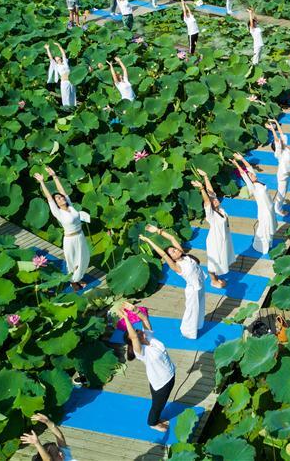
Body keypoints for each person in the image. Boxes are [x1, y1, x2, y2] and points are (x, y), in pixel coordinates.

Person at [118, 304, 176, 433]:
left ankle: (157, 419)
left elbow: (144, 319)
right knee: (158, 405)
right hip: (161, 383)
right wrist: (125, 318)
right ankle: (153, 423)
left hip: (170, 374)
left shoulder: (149, 336)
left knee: (160, 403)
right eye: (138, 332)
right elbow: (133, 336)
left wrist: (134, 310)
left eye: (138, 330)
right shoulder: (141, 351)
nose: (140, 331)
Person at [141, 226, 206, 339]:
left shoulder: (185, 256)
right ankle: (188, 331)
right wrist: (149, 241)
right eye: (173, 252)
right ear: (172, 258)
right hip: (193, 290)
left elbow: (171, 238)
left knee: (200, 307)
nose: (176, 251)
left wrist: (157, 231)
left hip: (200, 285)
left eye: (175, 249)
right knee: (191, 311)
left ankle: (198, 325)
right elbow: (163, 254)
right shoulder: (177, 266)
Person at [33, 166, 91, 289]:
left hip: (80, 236)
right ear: (57, 203)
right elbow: (49, 198)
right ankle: (73, 281)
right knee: (72, 262)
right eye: (58, 199)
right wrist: (42, 182)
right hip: (70, 240)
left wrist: (54, 176)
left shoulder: (70, 206)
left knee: (84, 258)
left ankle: (78, 278)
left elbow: (62, 191)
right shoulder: (58, 212)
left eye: (61, 197)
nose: (61, 198)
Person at [190, 169, 234, 288]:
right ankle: (213, 280)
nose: (215, 200)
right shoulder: (211, 214)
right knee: (213, 262)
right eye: (213, 201)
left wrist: (205, 176)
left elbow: (211, 193)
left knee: (222, 258)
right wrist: (201, 189)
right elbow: (207, 201)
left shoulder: (220, 210)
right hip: (215, 240)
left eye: (215, 199)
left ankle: (217, 276)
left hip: (223, 238)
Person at [231, 153, 276, 254]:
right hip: (264, 212)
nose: (253, 174)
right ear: (248, 180)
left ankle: (268, 244)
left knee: (270, 226)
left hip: (270, 208)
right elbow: (244, 174)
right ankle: (263, 247)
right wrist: (236, 164)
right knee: (265, 229)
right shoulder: (253, 187)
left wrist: (242, 159)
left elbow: (249, 167)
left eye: (252, 174)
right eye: (251, 175)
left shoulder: (257, 181)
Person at [267, 120, 290, 216]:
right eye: (279, 143)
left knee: (284, 191)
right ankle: (278, 209)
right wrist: (272, 130)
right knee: (281, 193)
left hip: (287, 173)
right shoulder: (278, 153)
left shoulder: (285, 147)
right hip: (282, 175)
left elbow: (282, 134)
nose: (281, 141)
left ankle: (278, 206)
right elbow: (277, 139)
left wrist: (276, 123)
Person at [45, 43, 76, 107]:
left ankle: (73, 108)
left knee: (72, 95)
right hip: (64, 82)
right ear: (55, 60)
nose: (57, 57)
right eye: (56, 57)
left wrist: (59, 46)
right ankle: (67, 109)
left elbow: (63, 53)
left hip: (71, 80)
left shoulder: (65, 63)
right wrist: (47, 49)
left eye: (58, 56)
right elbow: (50, 58)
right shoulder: (56, 66)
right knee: (66, 96)